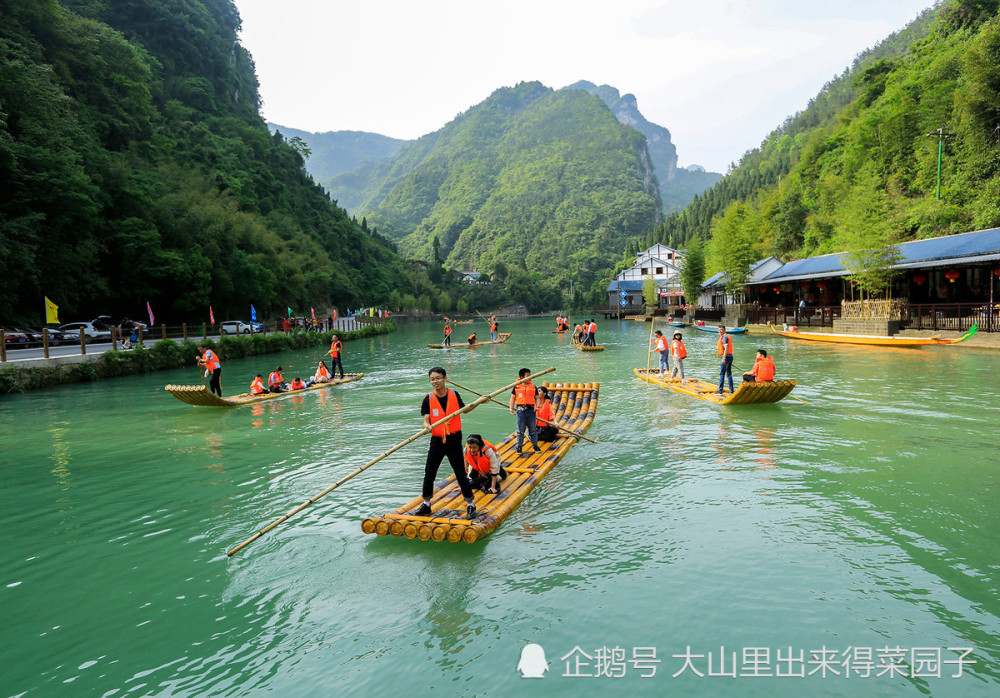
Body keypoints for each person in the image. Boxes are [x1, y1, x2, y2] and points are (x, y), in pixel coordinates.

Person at [416, 367, 477, 520]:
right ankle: (426, 504)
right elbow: (426, 420)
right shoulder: (428, 398)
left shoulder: (454, 394)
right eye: (432, 379)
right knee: (429, 472)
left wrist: (480, 402)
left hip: (454, 439)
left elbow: (465, 410)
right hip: (437, 440)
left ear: (445, 379)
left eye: (437, 378)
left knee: (460, 473)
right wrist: (427, 426)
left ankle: (470, 504)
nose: (435, 381)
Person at [509, 368, 542, 456]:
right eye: (528, 375)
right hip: (521, 412)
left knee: (533, 430)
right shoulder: (516, 386)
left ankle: (535, 446)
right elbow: (512, 398)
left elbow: (537, 398)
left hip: (531, 411)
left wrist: (537, 406)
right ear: (522, 377)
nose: (530, 377)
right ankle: (519, 447)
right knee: (520, 431)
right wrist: (511, 408)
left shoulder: (533, 386)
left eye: (530, 375)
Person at [717, 325, 734, 395]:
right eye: (719, 330)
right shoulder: (727, 336)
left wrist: (723, 358)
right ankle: (731, 390)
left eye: (722, 330)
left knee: (722, 373)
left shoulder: (724, 338)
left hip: (726, 357)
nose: (720, 331)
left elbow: (726, 348)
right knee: (729, 373)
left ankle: (720, 391)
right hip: (730, 356)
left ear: (724, 331)